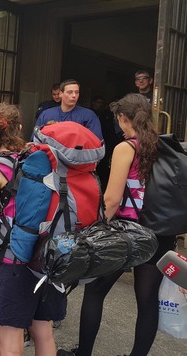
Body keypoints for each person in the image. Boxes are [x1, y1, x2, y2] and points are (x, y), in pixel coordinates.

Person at [60, 93, 173, 356]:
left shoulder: (126, 148)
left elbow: (111, 199)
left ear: (123, 119)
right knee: (147, 302)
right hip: (160, 232)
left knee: (95, 291)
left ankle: (84, 352)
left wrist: (98, 228)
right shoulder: (164, 145)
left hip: (126, 233)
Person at [0, 103, 66, 356]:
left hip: (13, 258)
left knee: (11, 332)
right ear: (19, 128)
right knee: (43, 331)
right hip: (45, 255)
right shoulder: (38, 159)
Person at [35, 79, 103, 140]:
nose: (74, 95)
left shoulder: (89, 116)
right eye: (70, 92)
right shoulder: (46, 114)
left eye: (76, 92)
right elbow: (35, 140)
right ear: (61, 94)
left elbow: (96, 142)